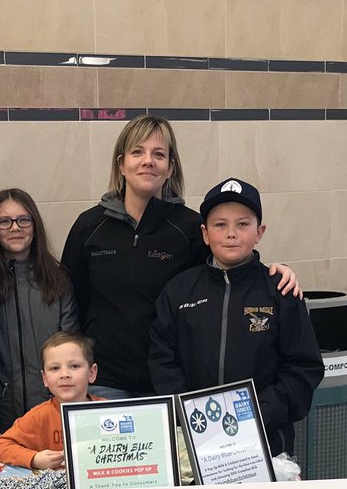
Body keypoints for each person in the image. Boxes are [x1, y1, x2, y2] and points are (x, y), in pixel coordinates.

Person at [61, 115, 301, 400]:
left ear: (170, 167)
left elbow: (226, 273)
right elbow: (71, 301)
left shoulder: (189, 228)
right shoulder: (89, 227)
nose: (148, 161)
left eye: (158, 154)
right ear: (121, 163)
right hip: (104, 381)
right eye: (137, 152)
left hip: (171, 383)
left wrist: (275, 272)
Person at [149, 178, 323, 457]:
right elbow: (162, 360)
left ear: (260, 232)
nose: (232, 233)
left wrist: (255, 414)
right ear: (205, 234)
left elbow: (303, 369)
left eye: (243, 224)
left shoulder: (280, 291)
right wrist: (190, 414)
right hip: (195, 440)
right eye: (220, 225)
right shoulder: (179, 291)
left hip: (266, 442)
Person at [0, 188, 78, 430]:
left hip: (52, 410)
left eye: (24, 220)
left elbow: (71, 347)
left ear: (35, 226)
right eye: (4, 222)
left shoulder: (57, 280)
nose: (15, 228)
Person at [0, 331, 103, 470]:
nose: (65, 374)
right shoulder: (39, 416)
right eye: (55, 368)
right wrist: (34, 459)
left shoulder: (110, 411)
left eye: (74, 366)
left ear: (91, 373)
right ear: (45, 378)